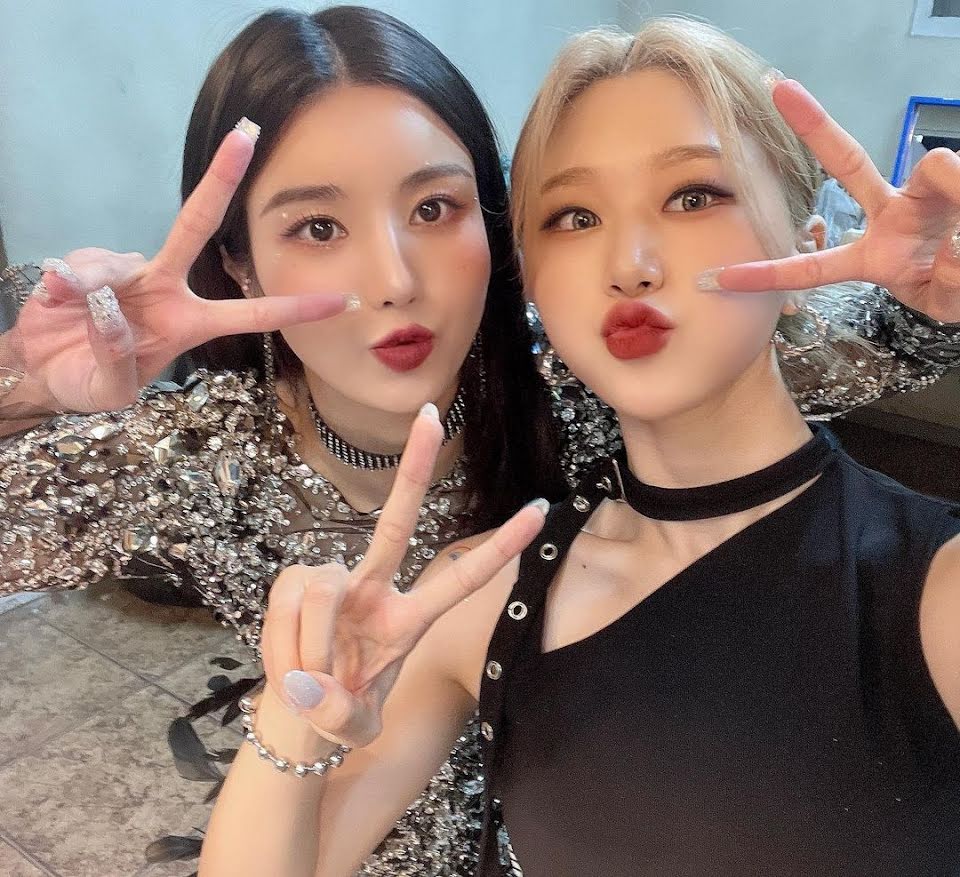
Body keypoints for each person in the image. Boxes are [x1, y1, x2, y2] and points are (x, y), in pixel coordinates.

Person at [3, 6, 960, 876]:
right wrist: (25, 385)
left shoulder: (577, 367)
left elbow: (865, 329)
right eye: (318, 225)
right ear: (240, 262)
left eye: (434, 208)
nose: (394, 280)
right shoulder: (190, 455)